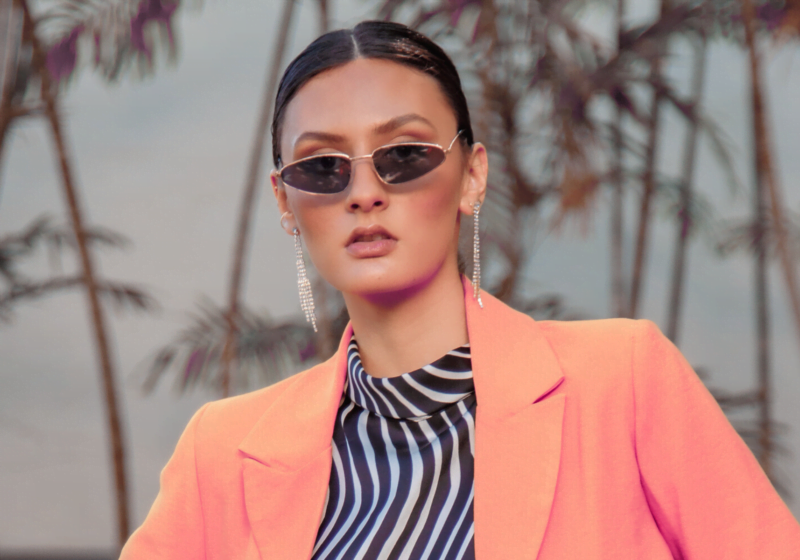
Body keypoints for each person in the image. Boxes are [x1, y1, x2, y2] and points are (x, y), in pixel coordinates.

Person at [119, 20, 800, 560]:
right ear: (285, 203)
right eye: (323, 167)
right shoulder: (222, 453)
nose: (364, 193)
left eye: (404, 156)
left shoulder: (623, 381)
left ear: (473, 176)